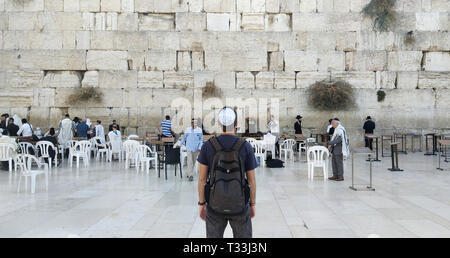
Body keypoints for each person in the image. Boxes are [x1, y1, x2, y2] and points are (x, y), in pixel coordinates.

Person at [197, 107, 257, 238]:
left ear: (218, 123)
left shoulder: (208, 146)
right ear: (236, 124)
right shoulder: (245, 146)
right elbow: (252, 180)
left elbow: (201, 179)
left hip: (214, 205)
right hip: (240, 205)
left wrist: (202, 203)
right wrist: (252, 204)